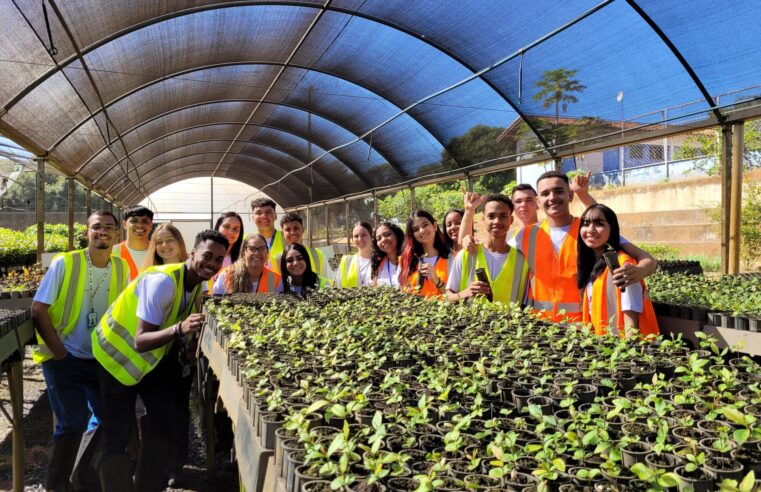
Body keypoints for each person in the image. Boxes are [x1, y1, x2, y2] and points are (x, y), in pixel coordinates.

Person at [93, 230, 229, 492]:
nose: (212, 263)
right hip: (115, 358)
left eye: (219, 259)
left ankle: (147, 486)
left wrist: (188, 347)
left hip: (148, 362)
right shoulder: (163, 282)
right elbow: (140, 340)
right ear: (192, 253)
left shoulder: (197, 284)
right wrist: (180, 329)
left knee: (163, 424)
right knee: (117, 435)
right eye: (207, 255)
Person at [31, 211, 129, 491]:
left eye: (109, 227)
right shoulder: (66, 262)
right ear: (86, 233)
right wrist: (61, 353)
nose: (103, 231)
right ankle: (56, 485)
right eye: (96, 227)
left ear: (116, 235)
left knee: (108, 418)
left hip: (98, 357)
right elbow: (38, 309)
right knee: (71, 424)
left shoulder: (120, 268)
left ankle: (81, 476)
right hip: (64, 357)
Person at [514, 170, 656, 322]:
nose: (552, 197)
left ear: (570, 195)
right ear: (538, 201)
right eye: (545, 193)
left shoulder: (588, 233)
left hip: (581, 328)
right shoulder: (526, 234)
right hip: (539, 326)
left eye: (559, 191)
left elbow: (648, 260)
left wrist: (640, 270)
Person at [577, 204, 659, 338]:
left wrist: (627, 354)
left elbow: (631, 320)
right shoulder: (592, 265)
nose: (590, 230)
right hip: (604, 347)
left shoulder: (623, 265)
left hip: (625, 350)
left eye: (599, 224)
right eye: (585, 224)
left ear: (612, 230)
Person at [446, 194, 529, 305]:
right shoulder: (466, 254)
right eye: (491, 216)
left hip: (508, 322)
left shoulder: (521, 260)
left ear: (511, 219)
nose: (497, 221)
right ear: (483, 219)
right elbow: (449, 296)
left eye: (503, 216)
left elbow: (523, 302)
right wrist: (466, 293)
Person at [399, 210, 453, 298]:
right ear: (413, 235)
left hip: (444, 310)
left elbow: (456, 296)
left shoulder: (451, 257)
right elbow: (402, 292)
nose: (422, 231)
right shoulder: (406, 260)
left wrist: (436, 280)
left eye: (425, 225)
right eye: (416, 229)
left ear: (434, 226)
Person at [213, 234, 282, 294]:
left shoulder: (273, 278)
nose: (257, 253)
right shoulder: (227, 275)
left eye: (262, 249)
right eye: (252, 249)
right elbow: (216, 304)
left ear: (267, 252)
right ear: (243, 252)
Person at [272, 212, 328, 278]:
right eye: (288, 229)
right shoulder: (276, 260)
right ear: (282, 234)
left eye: (296, 228)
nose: (292, 232)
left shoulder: (318, 255)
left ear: (303, 229)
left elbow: (329, 283)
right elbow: (272, 286)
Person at [114, 206, 154, 280]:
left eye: (145, 221)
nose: (140, 225)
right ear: (125, 224)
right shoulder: (112, 252)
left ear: (151, 225)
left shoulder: (159, 251)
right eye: (134, 221)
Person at [336, 222, 374, 288]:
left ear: (371, 237)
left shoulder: (381, 260)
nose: (360, 239)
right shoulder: (346, 261)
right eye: (356, 236)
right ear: (352, 240)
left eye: (364, 235)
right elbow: (338, 285)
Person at [250, 198, 286, 267]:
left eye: (268, 212)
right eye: (258, 213)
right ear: (253, 217)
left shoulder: (285, 238)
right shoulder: (246, 240)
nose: (264, 216)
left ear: (275, 216)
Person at [371, 222, 404, 288]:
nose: (383, 239)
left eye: (387, 234)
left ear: (397, 235)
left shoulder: (412, 260)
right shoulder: (378, 264)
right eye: (379, 238)